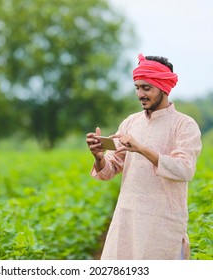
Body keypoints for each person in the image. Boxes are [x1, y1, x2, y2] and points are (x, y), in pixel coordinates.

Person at [86, 53, 202, 260]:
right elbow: (109, 170)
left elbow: (185, 169)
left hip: (162, 223)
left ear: (163, 88)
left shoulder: (184, 125)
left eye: (146, 88)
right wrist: (99, 156)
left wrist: (142, 149)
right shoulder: (131, 122)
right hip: (127, 219)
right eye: (137, 88)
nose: (140, 94)